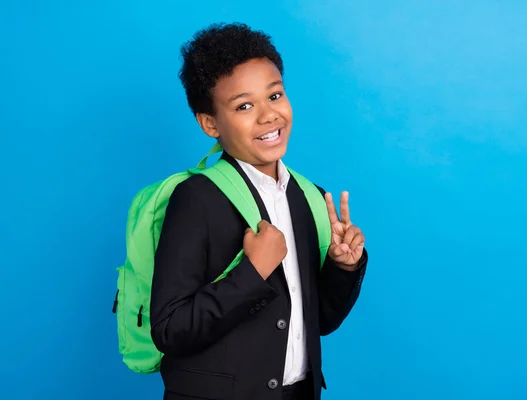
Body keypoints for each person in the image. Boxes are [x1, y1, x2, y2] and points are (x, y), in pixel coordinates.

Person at [150, 22, 368, 400]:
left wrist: (343, 267)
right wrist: (252, 273)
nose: (268, 115)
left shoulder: (309, 197)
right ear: (210, 123)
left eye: (275, 95)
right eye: (244, 106)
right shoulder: (196, 198)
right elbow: (170, 329)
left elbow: (320, 322)